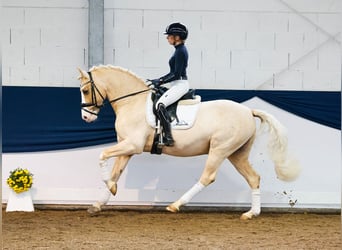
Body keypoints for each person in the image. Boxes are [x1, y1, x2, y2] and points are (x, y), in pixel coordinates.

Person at [150, 22, 190, 146]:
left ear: (177, 37)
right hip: (176, 84)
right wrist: (158, 80)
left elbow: (176, 74)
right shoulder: (178, 50)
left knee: (160, 104)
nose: (167, 38)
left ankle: (168, 137)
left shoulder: (180, 51)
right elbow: (172, 73)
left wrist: (160, 81)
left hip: (180, 84)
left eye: (169, 35)